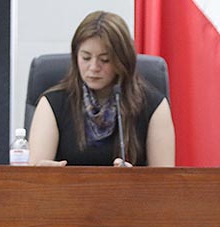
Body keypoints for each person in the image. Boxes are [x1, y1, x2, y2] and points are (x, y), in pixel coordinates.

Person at [29, 11, 175, 167]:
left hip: (129, 192)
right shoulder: (54, 103)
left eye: (105, 60)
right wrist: (45, 174)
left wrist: (135, 180)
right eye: (85, 57)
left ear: (122, 60)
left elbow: (164, 182)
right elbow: (34, 176)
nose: (93, 67)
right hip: (65, 191)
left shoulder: (153, 105)